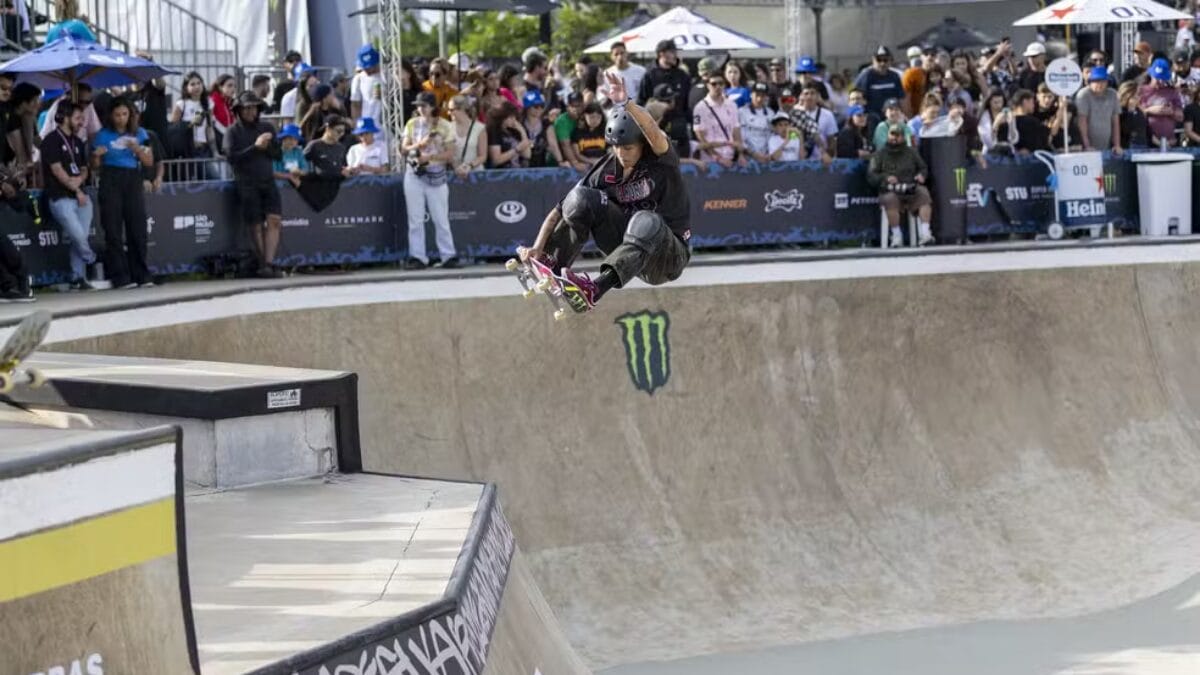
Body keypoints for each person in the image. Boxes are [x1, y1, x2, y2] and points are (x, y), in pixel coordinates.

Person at [516, 72, 691, 313]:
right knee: (580, 199)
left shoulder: (661, 158)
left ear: (642, 145)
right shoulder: (607, 168)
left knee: (646, 219)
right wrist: (538, 248)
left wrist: (627, 103)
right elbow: (561, 209)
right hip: (630, 253)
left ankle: (595, 289)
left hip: (668, 257)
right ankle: (554, 265)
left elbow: (651, 128)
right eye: (617, 148)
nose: (622, 154)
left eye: (628, 148)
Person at [224, 91, 284, 278]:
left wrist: (268, 146)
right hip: (247, 183)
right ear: (239, 110)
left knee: (274, 219)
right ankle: (263, 263)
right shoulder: (232, 131)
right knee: (255, 225)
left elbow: (278, 155)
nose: (251, 112)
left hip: (268, 180)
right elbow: (231, 157)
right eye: (246, 108)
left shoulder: (267, 127)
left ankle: (269, 262)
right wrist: (255, 147)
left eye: (254, 108)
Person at [39, 101, 97, 290]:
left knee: (80, 237)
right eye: (78, 118)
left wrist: (80, 180)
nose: (82, 122)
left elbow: (84, 168)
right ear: (64, 118)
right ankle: (91, 258)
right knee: (78, 236)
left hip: (81, 196)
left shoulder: (78, 141)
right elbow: (57, 170)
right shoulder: (50, 140)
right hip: (60, 196)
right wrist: (75, 188)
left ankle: (77, 276)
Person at [401, 93, 458, 270]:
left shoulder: (445, 125)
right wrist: (419, 145)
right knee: (415, 219)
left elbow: (450, 153)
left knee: (441, 218)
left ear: (433, 107)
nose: (421, 109)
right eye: (419, 106)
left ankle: (448, 255)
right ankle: (418, 257)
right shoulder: (412, 124)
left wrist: (430, 157)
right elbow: (404, 148)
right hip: (414, 173)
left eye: (424, 105)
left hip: (436, 174)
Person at [868, 122, 933, 247]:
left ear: (903, 137)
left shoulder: (911, 152)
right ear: (888, 136)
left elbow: (923, 167)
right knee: (890, 199)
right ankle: (896, 236)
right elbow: (871, 175)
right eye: (892, 135)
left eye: (897, 135)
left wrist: (921, 175)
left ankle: (925, 234)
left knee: (923, 193)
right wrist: (886, 178)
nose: (894, 138)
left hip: (910, 187)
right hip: (889, 189)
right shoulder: (879, 154)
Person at [636, 39, 691, 159]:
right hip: (657, 127)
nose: (675, 55)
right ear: (662, 53)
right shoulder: (650, 75)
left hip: (679, 127)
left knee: (682, 161)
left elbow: (686, 104)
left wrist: (688, 122)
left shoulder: (682, 75)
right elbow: (641, 102)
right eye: (672, 52)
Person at [692, 74, 745, 167]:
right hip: (710, 161)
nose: (718, 86)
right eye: (714, 84)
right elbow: (700, 137)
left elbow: (736, 131)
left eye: (721, 83)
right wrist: (718, 158)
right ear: (708, 85)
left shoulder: (732, 105)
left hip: (730, 157)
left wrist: (741, 154)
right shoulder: (700, 108)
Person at [1076, 66, 1122, 155]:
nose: (1100, 84)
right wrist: (1087, 146)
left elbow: (1115, 121)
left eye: (1103, 81)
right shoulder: (1083, 95)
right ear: (1090, 82)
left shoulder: (1113, 94)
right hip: (1087, 148)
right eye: (1096, 81)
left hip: (1107, 146)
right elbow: (1082, 122)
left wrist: (1117, 145)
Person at [1139, 58, 1185, 147]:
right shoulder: (1141, 91)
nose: (1160, 81)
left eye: (1162, 79)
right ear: (1151, 75)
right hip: (1148, 141)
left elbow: (1181, 117)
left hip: (1169, 141)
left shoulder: (1172, 92)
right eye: (1157, 78)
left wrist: (1171, 112)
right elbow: (1135, 113)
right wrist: (1149, 110)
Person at [853, 46, 904, 117]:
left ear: (890, 61)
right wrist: (854, 117)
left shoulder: (895, 76)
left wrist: (903, 114)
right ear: (873, 60)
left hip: (891, 117)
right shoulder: (865, 76)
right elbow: (854, 98)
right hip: (871, 117)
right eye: (879, 60)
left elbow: (901, 98)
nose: (882, 63)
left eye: (885, 60)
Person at [449, 95, 487, 178]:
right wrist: (456, 167)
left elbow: (483, 156)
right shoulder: (448, 128)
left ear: (462, 109)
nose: (448, 113)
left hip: (476, 174)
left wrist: (469, 166)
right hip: (454, 174)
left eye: (451, 110)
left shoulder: (479, 127)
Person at [486, 100, 531, 169]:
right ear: (503, 117)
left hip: (518, 170)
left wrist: (522, 131)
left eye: (515, 117)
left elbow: (527, 155)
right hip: (502, 171)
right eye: (511, 117)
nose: (514, 120)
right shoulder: (494, 131)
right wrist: (517, 149)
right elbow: (496, 160)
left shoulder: (514, 131)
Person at [739, 82, 775, 163]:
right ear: (751, 95)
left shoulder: (771, 113)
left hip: (766, 158)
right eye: (757, 95)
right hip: (748, 158)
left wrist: (769, 154)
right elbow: (740, 137)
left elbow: (772, 136)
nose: (759, 99)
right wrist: (754, 154)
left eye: (763, 96)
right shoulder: (742, 112)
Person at [350, 44, 384, 127]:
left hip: (389, 124)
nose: (366, 69)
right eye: (364, 67)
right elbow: (355, 104)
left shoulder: (387, 75)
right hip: (369, 125)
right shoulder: (358, 79)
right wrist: (357, 125)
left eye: (369, 67)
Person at [553, 91, 587, 171]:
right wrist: (575, 163)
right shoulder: (562, 121)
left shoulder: (587, 117)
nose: (575, 109)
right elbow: (565, 144)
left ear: (583, 105)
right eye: (572, 106)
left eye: (578, 106)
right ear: (567, 106)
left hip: (583, 158)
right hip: (561, 162)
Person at [572, 101, 607, 167]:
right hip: (585, 165)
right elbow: (577, 154)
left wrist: (602, 161)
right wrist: (591, 161)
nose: (595, 120)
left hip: (602, 164)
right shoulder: (577, 132)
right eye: (592, 117)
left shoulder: (605, 131)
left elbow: (610, 150)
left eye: (598, 117)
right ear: (585, 116)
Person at [272, 123, 308, 188]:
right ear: (283, 138)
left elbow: (305, 170)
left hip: (296, 182)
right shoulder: (275, 152)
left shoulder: (298, 152)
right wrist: (289, 176)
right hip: (280, 183)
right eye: (290, 138)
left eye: (296, 139)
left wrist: (299, 172)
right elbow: (272, 172)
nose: (293, 142)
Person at [1119, 81, 1151, 149]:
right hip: (1128, 147)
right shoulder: (1120, 111)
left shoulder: (1139, 110)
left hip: (1143, 146)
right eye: (1137, 94)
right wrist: (1131, 110)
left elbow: (1146, 130)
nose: (1140, 97)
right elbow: (1125, 130)